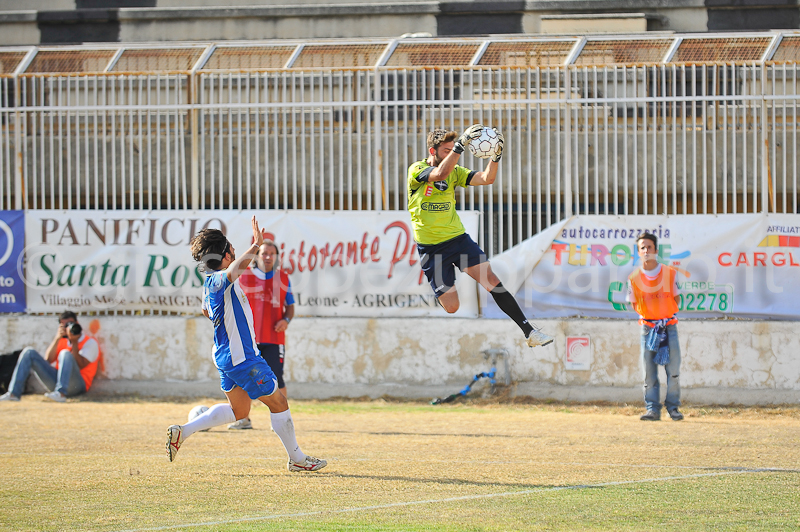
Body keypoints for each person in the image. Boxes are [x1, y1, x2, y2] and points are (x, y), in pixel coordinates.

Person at [166, 216, 326, 472]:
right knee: (279, 403)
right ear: (226, 254)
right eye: (231, 247)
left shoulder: (209, 286)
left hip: (225, 356)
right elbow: (231, 274)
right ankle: (297, 459)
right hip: (242, 358)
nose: (235, 250)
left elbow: (207, 312)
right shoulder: (217, 280)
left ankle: (183, 432)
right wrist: (256, 245)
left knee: (239, 411)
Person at [407, 126, 553, 348]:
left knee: (493, 282)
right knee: (452, 307)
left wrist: (496, 156)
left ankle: (529, 332)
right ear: (432, 151)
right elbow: (439, 174)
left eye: (451, 150)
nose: (451, 155)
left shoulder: (455, 171)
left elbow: (486, 178)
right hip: (432, 249)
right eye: (446, 151)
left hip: (457, 240)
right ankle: (442, 286)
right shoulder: (417, 170)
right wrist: (460, 145)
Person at [230, 238, 295, 430]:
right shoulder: (244, 276)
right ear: (257, 256)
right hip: (247, 339)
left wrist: (286, 320)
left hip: (274, 339)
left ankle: (283, 420)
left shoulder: (282, 278)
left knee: (277, 378)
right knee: (241, 377)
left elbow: (290, 307)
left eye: (271, 254)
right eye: (264, 253)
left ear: (276, 257)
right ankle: (243, 419)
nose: (267, 257)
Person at [627, 232, 684, 421]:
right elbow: (634, 304)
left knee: (673, 371)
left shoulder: (669, 273)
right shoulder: (633, 278)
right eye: (642, 247)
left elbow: (677, 299)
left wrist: (663, 317)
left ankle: (673, 408)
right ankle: (652, 409)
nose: (646, 251)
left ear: (656, 250)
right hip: (647, 329)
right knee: (649, 373)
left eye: (649, 247)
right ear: (638, 252)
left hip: (669, 327)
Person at [0, 311, 101, 403]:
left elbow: (81, 365)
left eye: (70, 324)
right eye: (64, 325)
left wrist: (74, 342)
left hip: (78, 385)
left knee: (65, 353)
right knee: (29, 352)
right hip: (56, 381)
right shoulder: (61, 340)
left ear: (77, 323)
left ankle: (60, 394)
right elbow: (47, 360)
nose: (67, 327)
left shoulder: (90, 342)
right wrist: (57, 338)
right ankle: (13, 393)